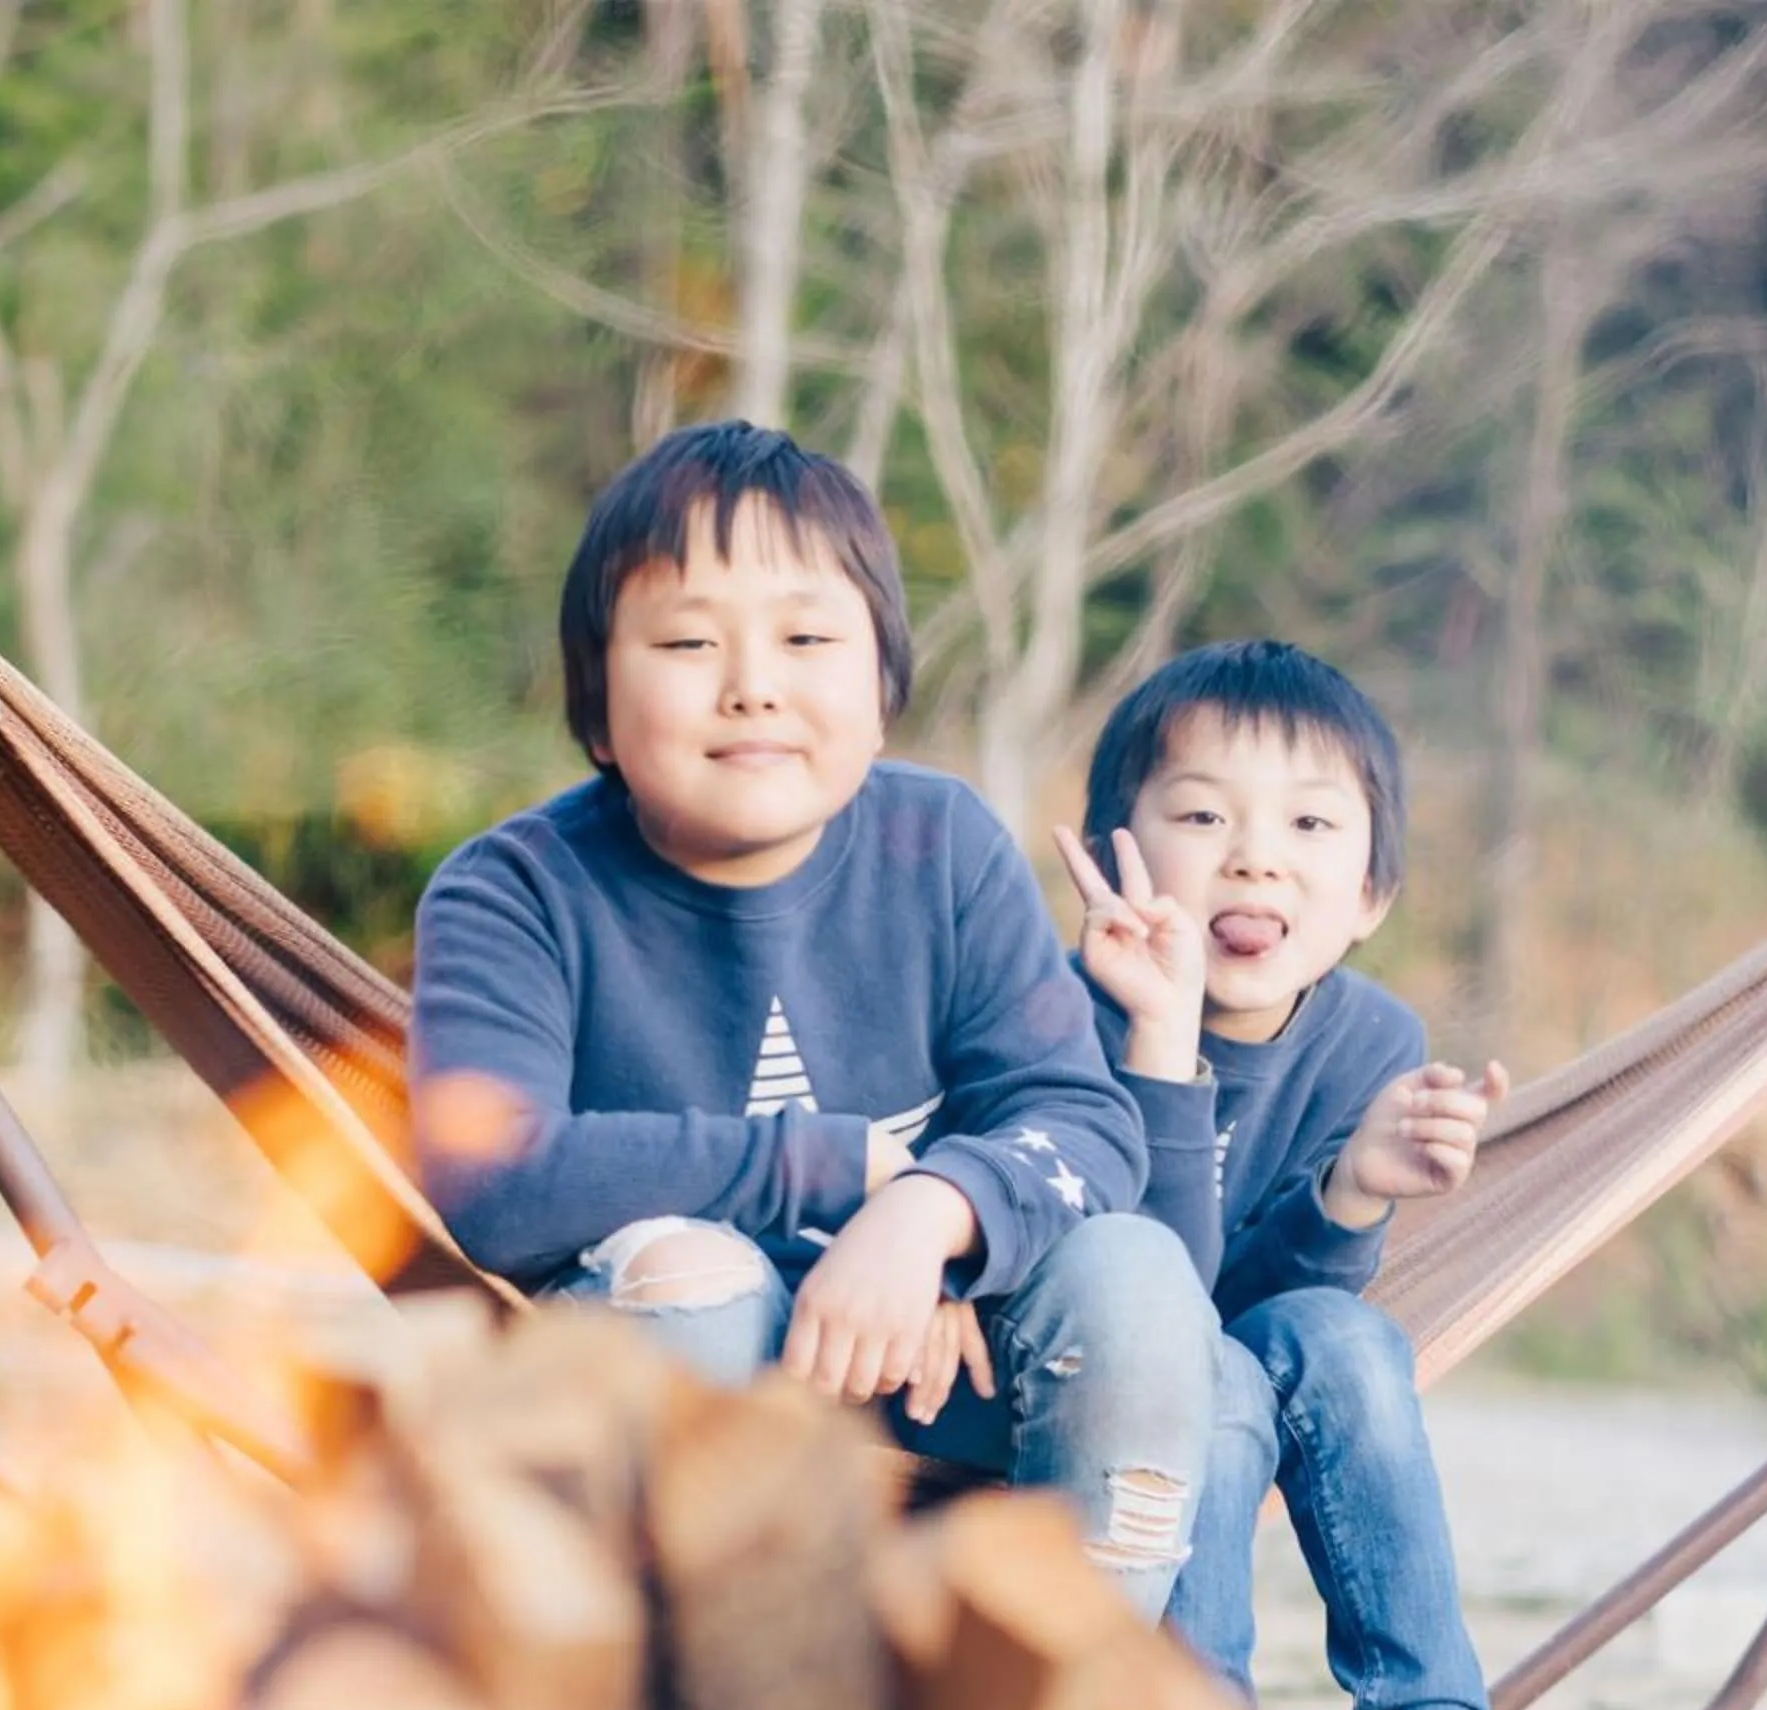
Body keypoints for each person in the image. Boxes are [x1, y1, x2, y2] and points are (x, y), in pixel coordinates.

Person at [410, 421, 1219, 1620]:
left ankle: (1063, 1690)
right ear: (595, 707)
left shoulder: (937, 847)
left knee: (1137, 1274)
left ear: (883, 691)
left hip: (938, 1360)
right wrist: (828, 1165)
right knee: (702, 1281)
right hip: (662, 1369)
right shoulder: (516, 891)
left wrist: (926, 1215)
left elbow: (1078, 1120)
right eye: (688, 640)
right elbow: (492, 1172)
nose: (754, 683)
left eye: (805, 637)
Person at [1053, 639, 1557, 1710]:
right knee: (1207, 1366)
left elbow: (1271, 1307)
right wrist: (1162, 1045)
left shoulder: (1370, 1040)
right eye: (1201, 814)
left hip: (1238, 1376)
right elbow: (1143, 1309)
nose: (1255, 860)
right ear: (1115, 856)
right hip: (1089, 1402)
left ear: (1373, 895)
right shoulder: (1053, 1017)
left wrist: (1353, 1192)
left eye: (1311, 829)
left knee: (1342, 1334)